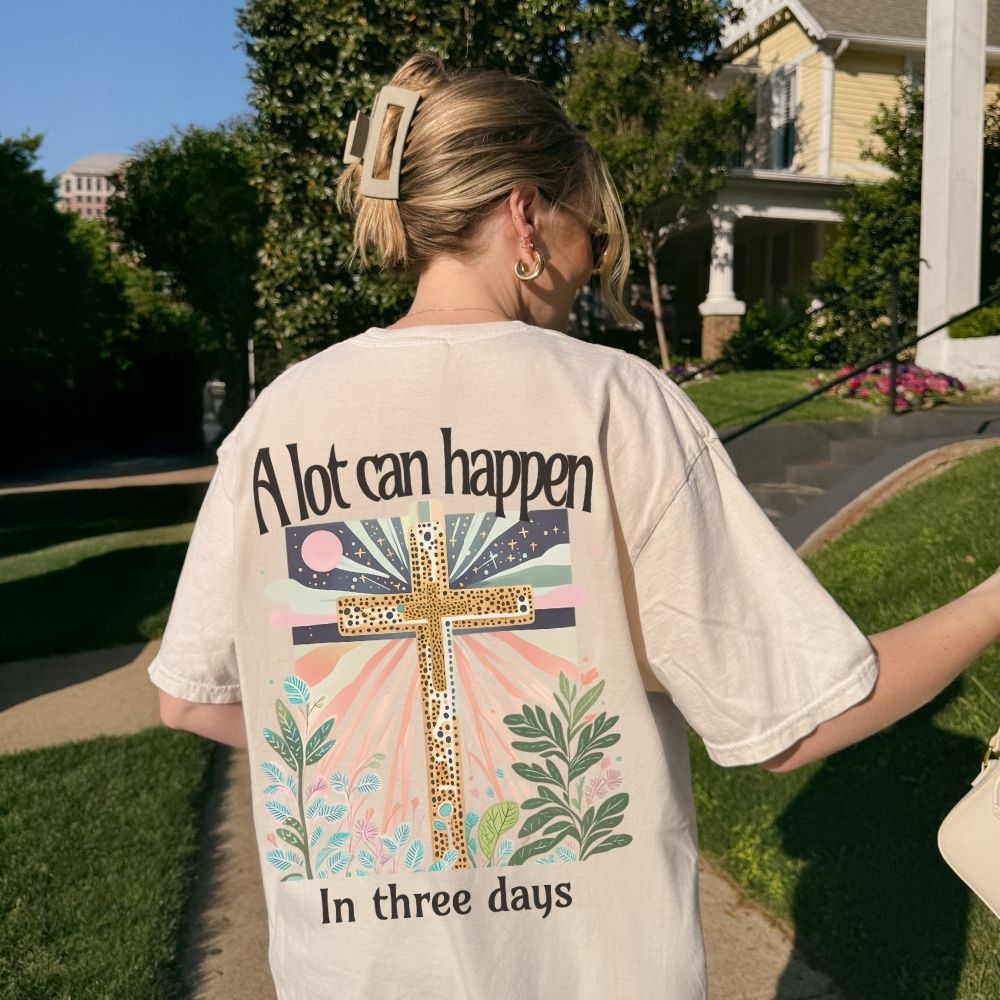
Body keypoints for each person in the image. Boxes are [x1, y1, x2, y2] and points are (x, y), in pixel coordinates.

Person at [150, 52, 1000, 1000]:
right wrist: (992, 603)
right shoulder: (614, 401)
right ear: (526, 214)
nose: (593, 257)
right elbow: (797, 717)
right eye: (592, 225)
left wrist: (375, 761)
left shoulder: (277, 421)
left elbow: (191, 698)